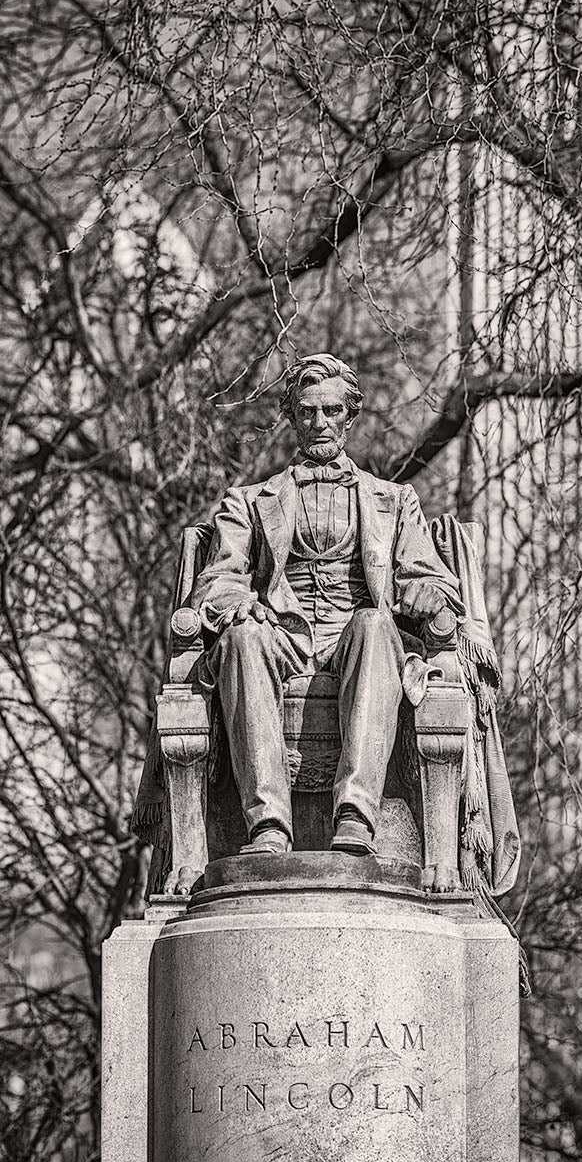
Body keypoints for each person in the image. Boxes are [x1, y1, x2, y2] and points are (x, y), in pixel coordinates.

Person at [194, 353, 462, 856]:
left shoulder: (393, 500)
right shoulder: (248, 501)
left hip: (356, 641)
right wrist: (240, 605)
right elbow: (217, 581)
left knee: (374, 623)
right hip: (282, 636)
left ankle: (356, 816)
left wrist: (428, 593)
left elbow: (432, 578)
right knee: (242, 637)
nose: (320, 422)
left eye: (332, 410)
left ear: (349, 415)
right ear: (292, 417)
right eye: (308, 411)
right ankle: (268, 826)